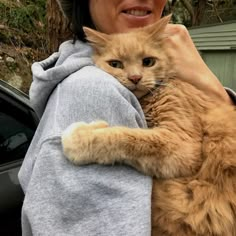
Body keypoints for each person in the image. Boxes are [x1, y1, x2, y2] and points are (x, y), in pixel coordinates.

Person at [18, 0, 236, 235]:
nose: (135, 76)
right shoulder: (90, 89)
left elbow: (183, 152)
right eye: (116, 64)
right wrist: (105, 143)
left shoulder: (175, 86)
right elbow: (182, 153)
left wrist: (213, 88)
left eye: (148, 62)